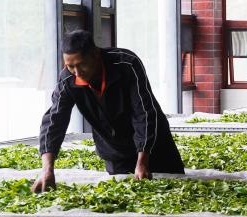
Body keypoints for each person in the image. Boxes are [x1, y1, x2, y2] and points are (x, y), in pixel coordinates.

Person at [32, 30, 184, 192]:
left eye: (81, 64)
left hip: (154, 147)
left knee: (172, 189)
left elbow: (144, 113)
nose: (77, 72)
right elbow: (54, 121)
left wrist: (142, 161)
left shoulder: (126, 64)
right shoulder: (67, 80)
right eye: (70, 66)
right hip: (115, 151)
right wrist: (47, 169)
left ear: (95, 55)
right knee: (125, 198)